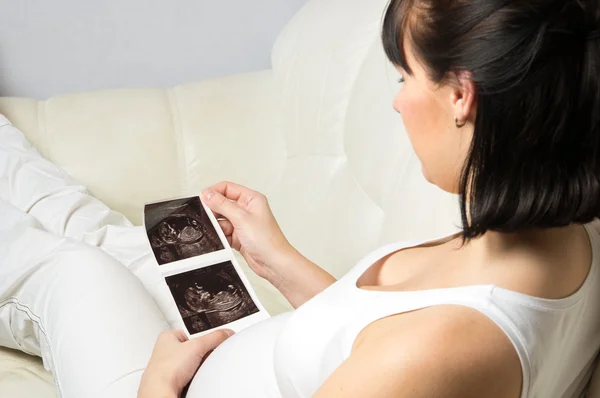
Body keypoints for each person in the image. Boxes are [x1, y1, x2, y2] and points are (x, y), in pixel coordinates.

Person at [1, 0, 600, 396]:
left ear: (461, 97)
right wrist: (274, 257)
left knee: (69, 267)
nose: (396, 102)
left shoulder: (439, 351)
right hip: (239, 347)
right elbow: (368, 337)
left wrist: (157, 388)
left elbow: (404, 357)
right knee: (121, 239)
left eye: (405, 77)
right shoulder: (560, 232)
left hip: (166, 385)